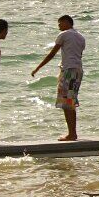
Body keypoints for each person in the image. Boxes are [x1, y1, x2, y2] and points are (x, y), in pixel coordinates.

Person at [31, 14, 86, 142]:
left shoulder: (64, 35)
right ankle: (72, 133)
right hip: (78, 71)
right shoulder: (81, 37)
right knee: (70, 101)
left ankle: (71, 134)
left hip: (68, 71)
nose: (59, 26)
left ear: (67, 22)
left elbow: (52, 53)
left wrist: (38, 67)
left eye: (60, 23)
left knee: (67, 102)